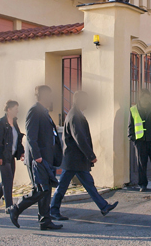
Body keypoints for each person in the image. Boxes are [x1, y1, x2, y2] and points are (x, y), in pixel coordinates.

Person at [50, 91, 118, 220]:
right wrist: (90, 155)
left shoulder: (76, 114)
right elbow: (80, 138)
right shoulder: (75, 116)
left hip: (75, 159)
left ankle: (103, 206)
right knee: (63, 186)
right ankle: (53, 210)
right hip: (73, 159)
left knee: (88, 184)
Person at [8, 86, 62, 230]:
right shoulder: (34, 111)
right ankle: (16, 208)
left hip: (46, 158)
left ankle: (45, 220)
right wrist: (37, 156)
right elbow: (31, 136)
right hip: (37, 159)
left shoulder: (44, 112)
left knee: (46, 190)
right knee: (40, 189)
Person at [0, 101, 25, 213]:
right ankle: (9, 206)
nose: (17, 111)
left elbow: (18, 138)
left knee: (8, 179)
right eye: (15, 109)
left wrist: (21, 152)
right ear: (9, 109)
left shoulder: (14, 122)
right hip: (2, 155)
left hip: (11, 155)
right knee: (7, 180)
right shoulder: (1, 123)